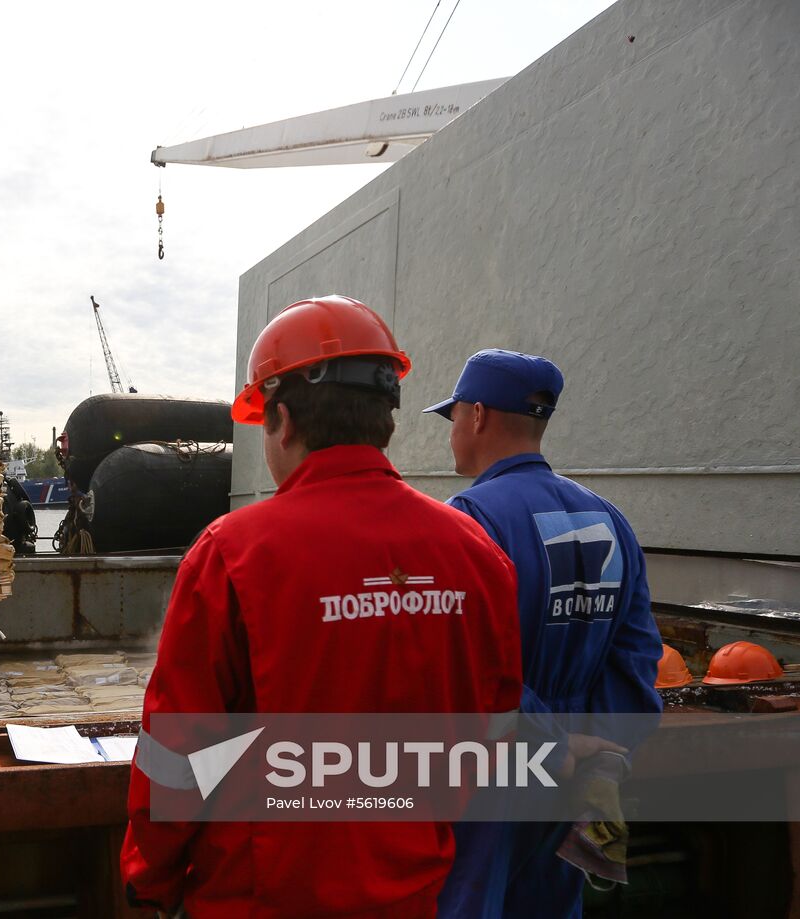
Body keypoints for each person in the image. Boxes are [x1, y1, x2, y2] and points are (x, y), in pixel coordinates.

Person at [121, 296, 524, 918]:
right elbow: (492, 738)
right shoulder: (477, 554)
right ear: (384, 418)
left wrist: (149, 881)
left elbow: (177, 756)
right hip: (413, 890)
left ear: (281, 417)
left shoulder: (232, 553)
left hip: (257, 899)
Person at [424, 349, 663, 919]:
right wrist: (599, 755)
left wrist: (546, 745)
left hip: (496, 769)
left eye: (453, 417)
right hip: (575, 781)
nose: (452, 432)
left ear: (478, 416)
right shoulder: (608, 518)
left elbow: (467, 665)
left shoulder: (469, 521)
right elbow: (636, 651)